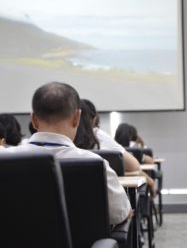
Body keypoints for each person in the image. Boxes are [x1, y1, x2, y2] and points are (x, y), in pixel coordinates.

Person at [0, 81, 132, 225]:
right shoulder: (94, 164)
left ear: (33, 120)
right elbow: (120, 214)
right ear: (77, 118)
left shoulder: (5, 160)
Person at [74, 99, 156, 198]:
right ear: (94, 119)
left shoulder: (61, 141)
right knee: (140, 183)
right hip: (103, 201)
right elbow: (135, 165)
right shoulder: (99, 137)